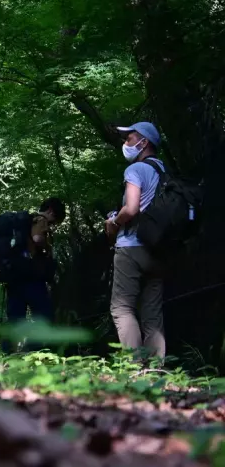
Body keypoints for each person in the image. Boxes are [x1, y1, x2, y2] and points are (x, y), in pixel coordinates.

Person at [105, 122, 166, 359]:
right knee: (153, 312)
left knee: (122, 308)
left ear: (144, 142)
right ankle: (156, 369)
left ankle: (135, 366)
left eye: (129, 139)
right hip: (160, 248)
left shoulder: (135, 170)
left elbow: (130, 209)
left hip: (132, 246)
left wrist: (113, 223)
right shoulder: (163, 171)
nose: (125, 143)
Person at [5, 197, 66, 328]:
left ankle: (7, 348)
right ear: (50, 211)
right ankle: (34, 347)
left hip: (14, 274)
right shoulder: (41, 219)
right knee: (44, 317)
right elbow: (37, 238)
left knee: (15, 321)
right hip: (31, 277)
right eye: (54, 221)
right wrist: (48, 247)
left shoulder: (27, 221)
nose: (53, 224)